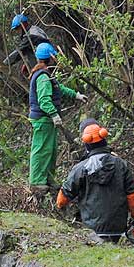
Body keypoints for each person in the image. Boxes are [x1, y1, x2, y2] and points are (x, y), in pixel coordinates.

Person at [56, 119, 134, 243]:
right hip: (118, 229)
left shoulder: (80, 169)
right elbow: (133, 196)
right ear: (104, 139)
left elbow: (61, 200)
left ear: (86, 144)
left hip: (91, 230)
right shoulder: (121, 165)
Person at [28, 42, 86, 190]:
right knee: (41, 149)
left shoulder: (47, 75)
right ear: (50, 57)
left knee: (51, 150)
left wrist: (76, 95)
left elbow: (59, 88)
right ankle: (36, 181)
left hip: (47, 120)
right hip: (43, 119)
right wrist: (54, 114)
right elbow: (44, 100)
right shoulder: (42, 77)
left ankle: (48, 179)